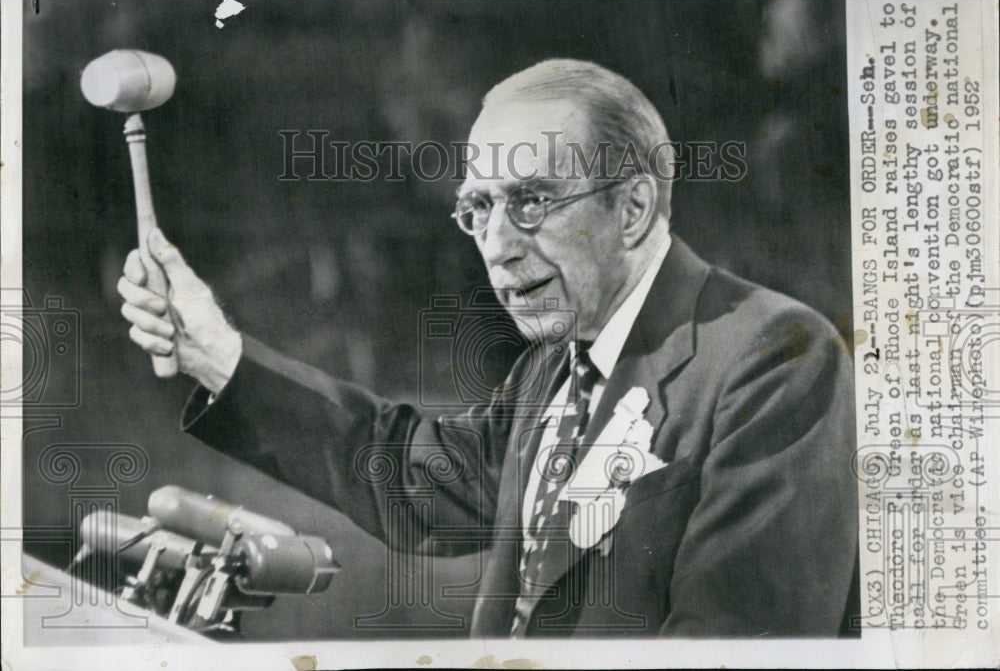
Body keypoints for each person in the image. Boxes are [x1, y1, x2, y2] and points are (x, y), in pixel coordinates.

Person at [118, 59, 859, 637]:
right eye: (478, 208)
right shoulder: (555, 366)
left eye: (532, 201)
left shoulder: (778, 357)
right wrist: (217, 354)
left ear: (632, 208)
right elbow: (412, 482)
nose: (498, 247)